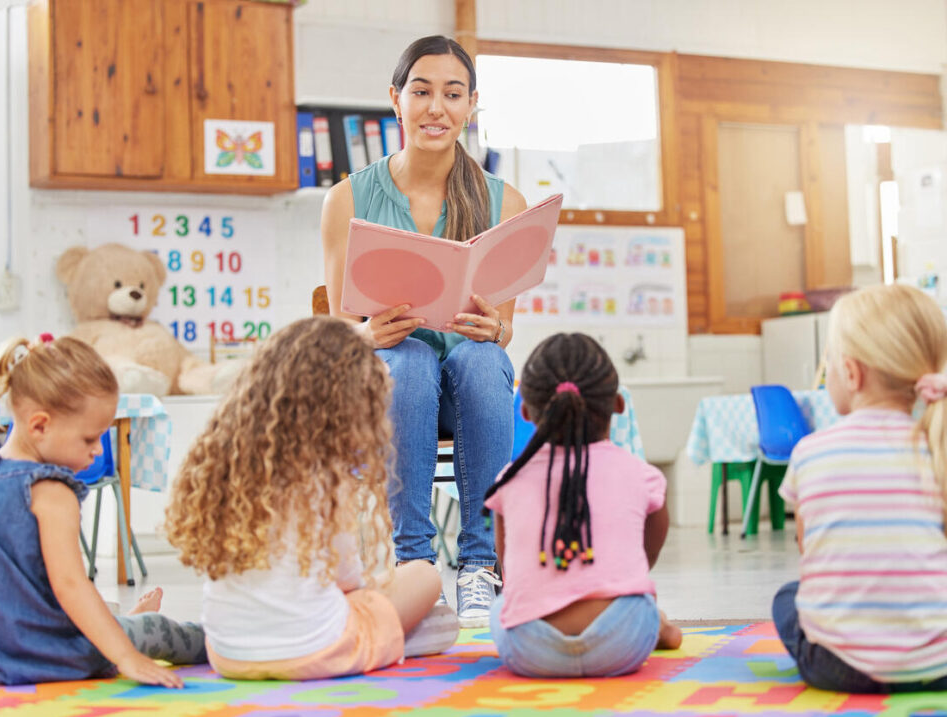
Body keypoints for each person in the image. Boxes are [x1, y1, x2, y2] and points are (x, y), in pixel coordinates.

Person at [320, 35, 528, 627]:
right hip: (388, 387)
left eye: (453, 94)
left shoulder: (502, 201)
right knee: (407, 359)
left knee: (480, 359)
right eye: (422, 90)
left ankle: (480, 565)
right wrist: (367, 334)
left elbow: (503, 329)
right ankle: (416, 566)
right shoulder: (347, 199)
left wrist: (494, 329)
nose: (437, 107)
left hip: (472, 388)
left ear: (470, 106)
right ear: (396, 99)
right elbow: (339, 335)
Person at [164, 317, 458, 681]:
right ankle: (395, 640)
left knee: (373, 595)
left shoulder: (226, 462)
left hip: (227, 654)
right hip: (316, 650)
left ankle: (391, 636)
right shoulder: (324, 474)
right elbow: (347, 578)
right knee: (426, 577)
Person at [0, 335, 205, 687]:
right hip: (55, 654)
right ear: (39, 425)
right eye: (90, 440)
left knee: (110, 616)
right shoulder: (52, 493)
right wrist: (126, 658)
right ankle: (227, 640)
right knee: (161, 632)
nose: (96, 454)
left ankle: (125, 620)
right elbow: (71, 585)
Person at [773, 284, 947, 693]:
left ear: (851, 374)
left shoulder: (809, 452)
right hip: (939, 663)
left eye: (828, 363)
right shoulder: (938, 448)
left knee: (788, 597)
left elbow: (809, 549)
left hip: (839, 668)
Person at [483, 333, 682, 678]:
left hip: (530, 650)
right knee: (640, 599)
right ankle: (659, 626)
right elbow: (642, 562)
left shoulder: (509, 480)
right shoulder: (641, 475)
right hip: (623, 641)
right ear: (619, 405)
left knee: (501, 605)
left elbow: (511, 574)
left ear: (526, 411)